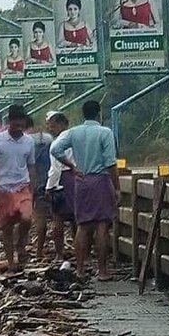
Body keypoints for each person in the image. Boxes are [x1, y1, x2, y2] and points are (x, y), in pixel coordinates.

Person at [50, 100, 118, 282]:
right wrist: (117, 187)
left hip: (81, 181)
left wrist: (71, 166)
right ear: (99, 114)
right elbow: (111, 162)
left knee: (82, 226)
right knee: (102, 226)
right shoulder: (105, 132)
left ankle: (80, 269)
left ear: (83, 114)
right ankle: (102, 271)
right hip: (100, 180)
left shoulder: (73, 132)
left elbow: (55, 149)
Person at [0, 105, 36, 271]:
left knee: (26, 218)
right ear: (10, 122)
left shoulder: (29, 142)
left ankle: (21, 244)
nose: (19, 126)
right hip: (3, 189)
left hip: (22, 187)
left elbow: (32, 167)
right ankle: (11, 263)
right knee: (6, 228)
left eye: (22, 122)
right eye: (16, 122)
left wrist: (33, 190)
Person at [45, 111, 76, 261]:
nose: (51, 129)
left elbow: (55, 168)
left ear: (63, 124)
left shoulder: (57, 143)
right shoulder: (76, 139)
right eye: (49, 127)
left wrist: (49, 187)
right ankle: (80, 252)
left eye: (53, 126)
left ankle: (59, 254)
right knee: (76, 219)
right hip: (76, 179)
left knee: (57, 219)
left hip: (61, 180)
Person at [25, 115, 53, 262]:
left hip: (32, 183)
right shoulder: (48, 138)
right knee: (54, 218)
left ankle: (32, 250)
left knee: (33, 217)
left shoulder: (25, 140)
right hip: (50, 181)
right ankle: (44, 251)